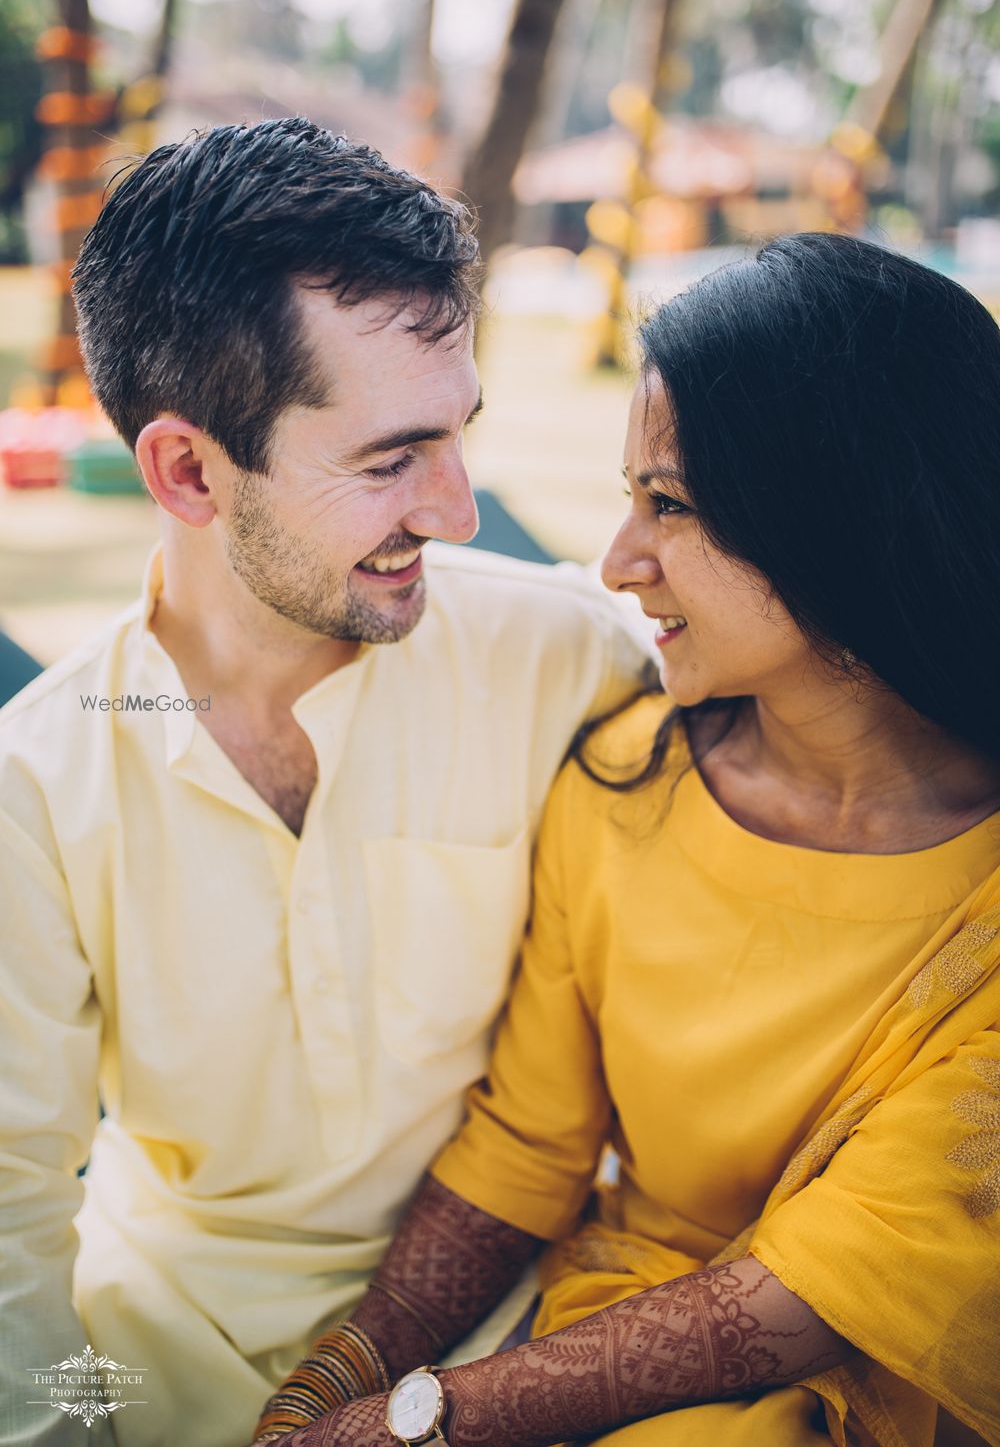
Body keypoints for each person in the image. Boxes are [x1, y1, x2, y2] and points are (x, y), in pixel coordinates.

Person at [249, 234, 1000, 1447]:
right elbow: (527, 1147)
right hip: (611, 1315)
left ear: (840, 524)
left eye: (672, 505)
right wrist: (328, 1385)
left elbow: (809, 1298)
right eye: (625, 497)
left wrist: (407, 1427)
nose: (617, 561)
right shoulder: (620, 780)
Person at [0, 119, 650, 1447]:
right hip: (163, 1363)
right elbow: (9, 1203)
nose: (461, 508)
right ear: (187, 469)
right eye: (389, 456)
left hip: (534, 1340)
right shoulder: (38, 779)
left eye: (460, 432)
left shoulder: (576, 657)